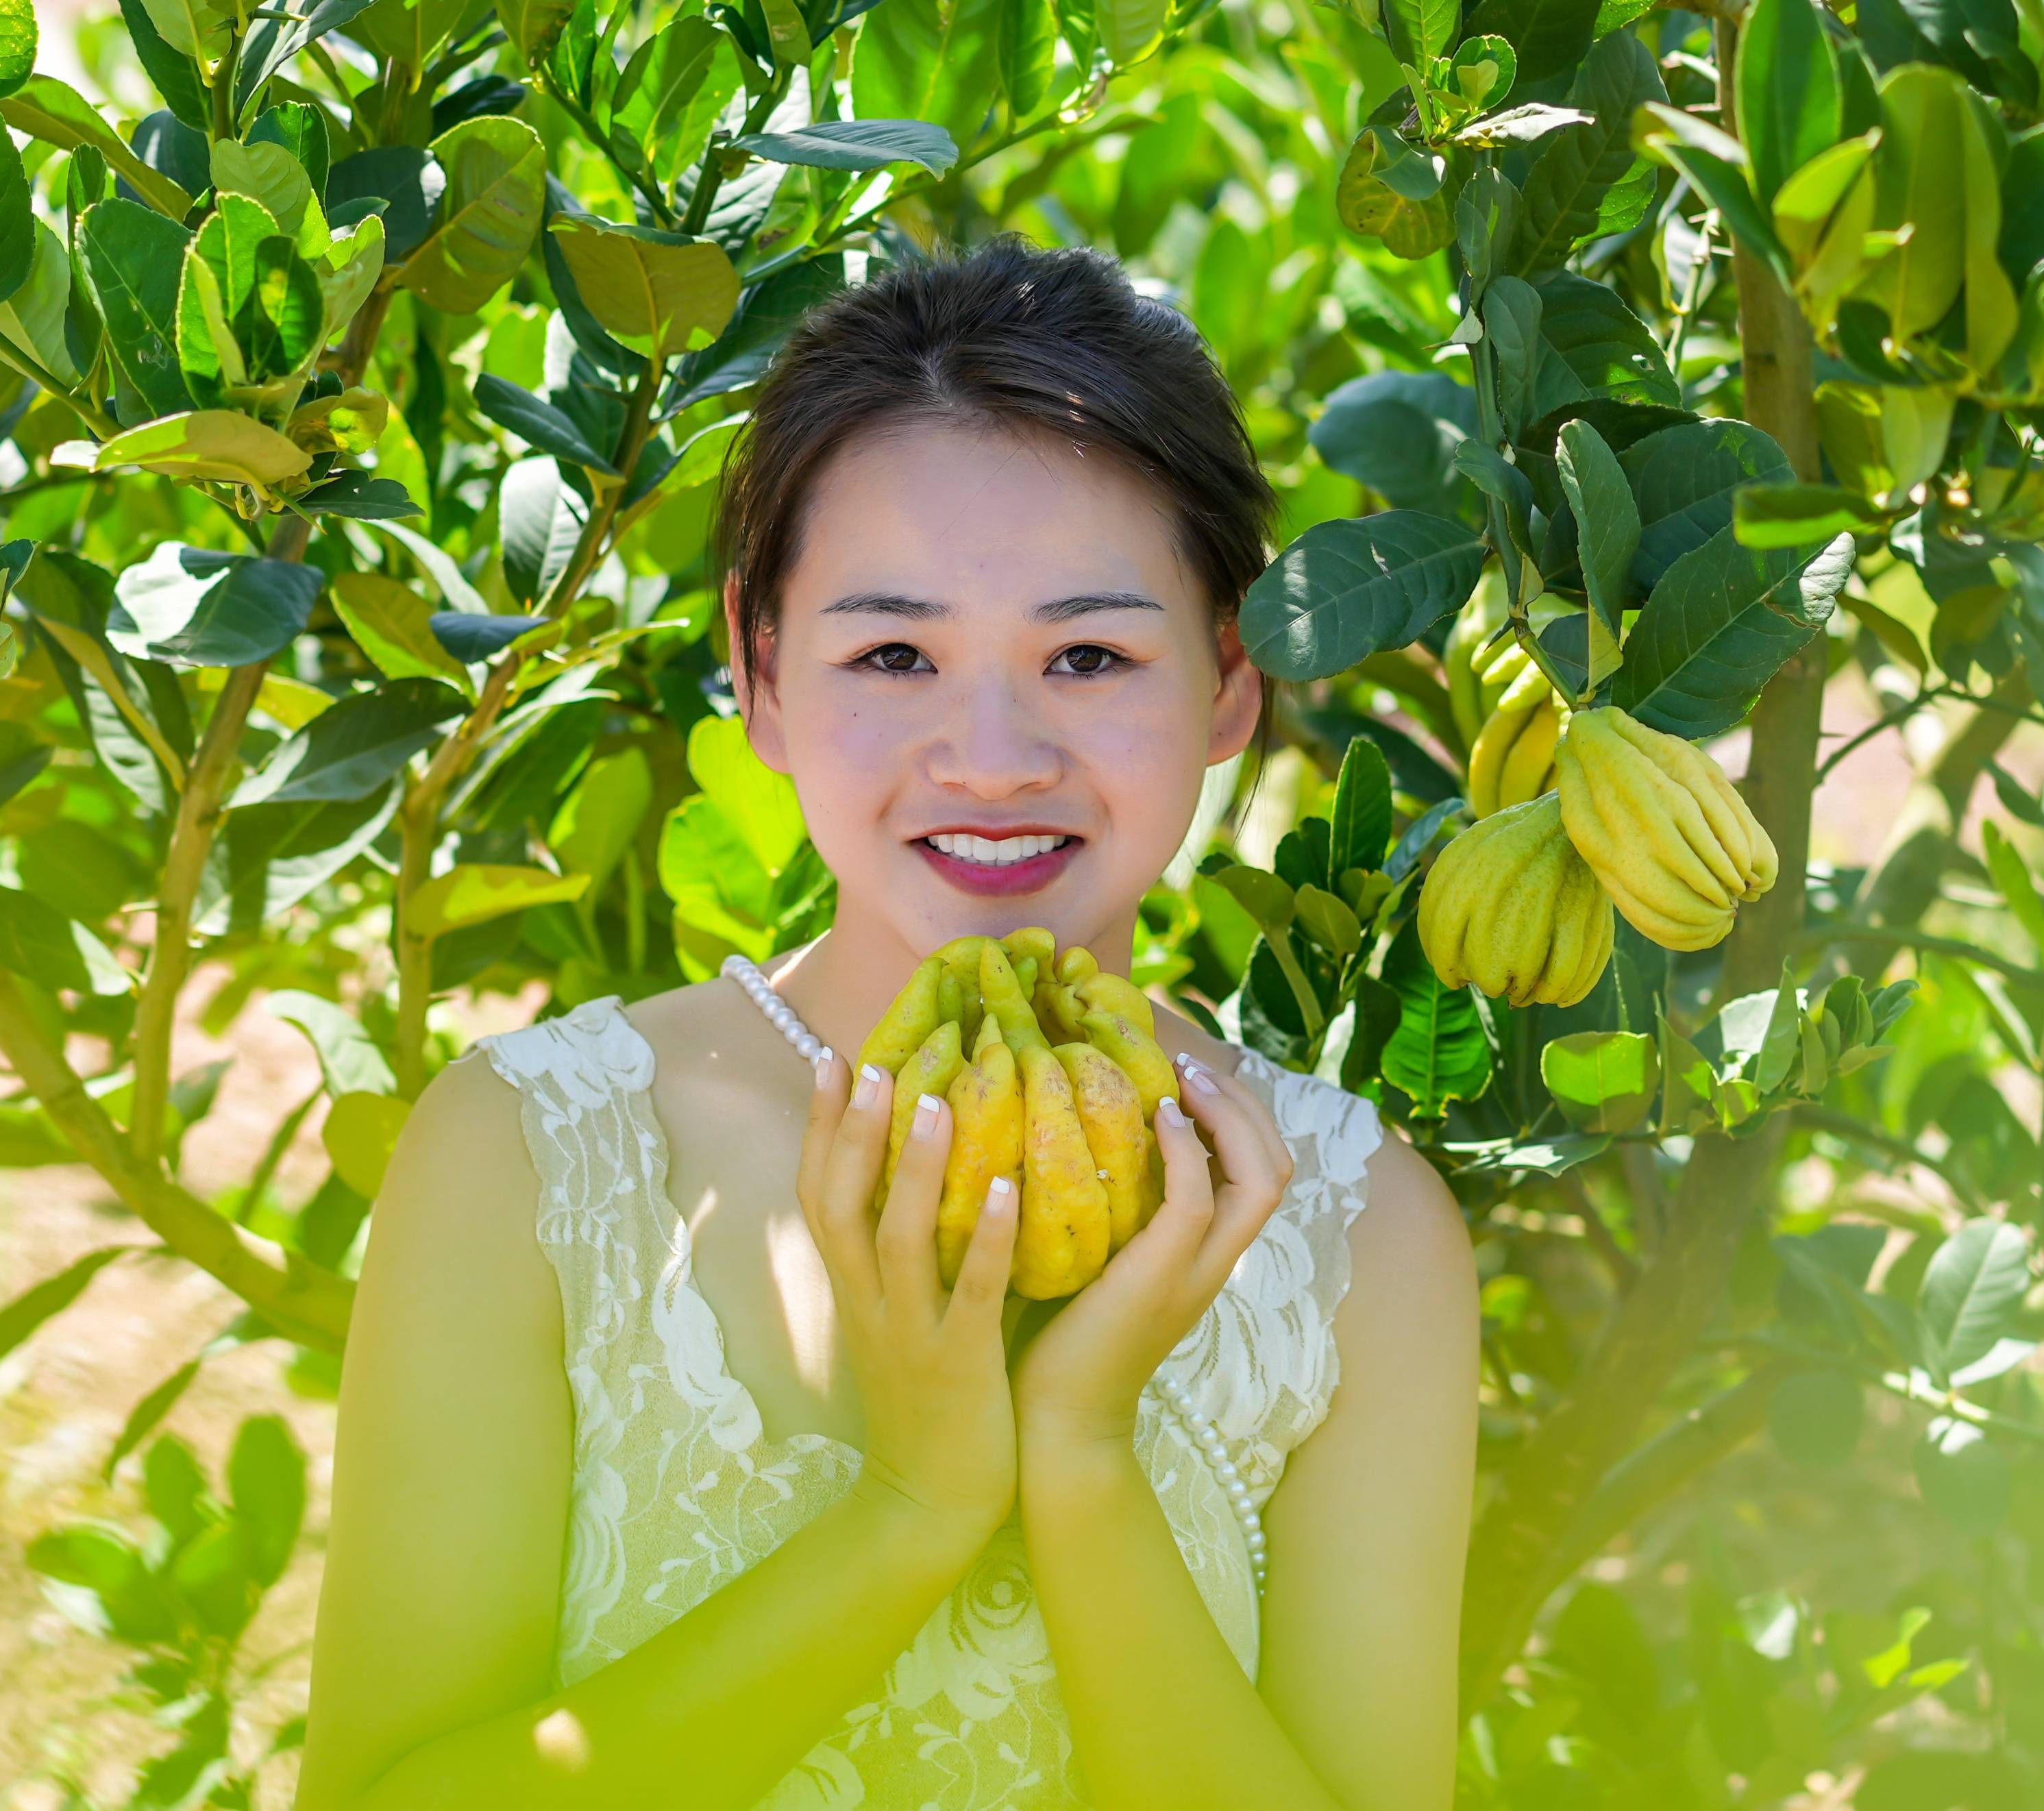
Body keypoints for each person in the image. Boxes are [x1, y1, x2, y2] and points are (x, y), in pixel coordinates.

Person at [291, 234, 1480, 1811]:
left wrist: (1083, 1461)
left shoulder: (1358, 1230)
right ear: (761, 673)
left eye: (1089, 653)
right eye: (897, 652)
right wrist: (913, 1503)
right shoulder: (534, 1152)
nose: (990, 755)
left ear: (1226, 685)